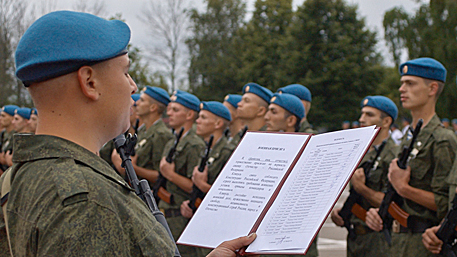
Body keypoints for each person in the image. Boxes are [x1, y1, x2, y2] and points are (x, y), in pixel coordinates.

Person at [0, 10, 257, 256]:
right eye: (125, 71)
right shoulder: (85, 202)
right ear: (89, 82)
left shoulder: (20, 177)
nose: (132, 85)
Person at [365, 57, 457, 257]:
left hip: (422, 245)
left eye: (410, 83)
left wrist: (404, 188)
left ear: (432, 89)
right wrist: (380, 213)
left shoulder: (442, 139)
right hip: (395, 243)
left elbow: (447, 204)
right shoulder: (409, 139)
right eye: (401, 83)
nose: (401, 89)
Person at [331, 95, 398, 257]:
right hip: (355, 237)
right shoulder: (361, 153)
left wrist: (361, 188)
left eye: (369, 115)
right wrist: (342, 213)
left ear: (386, 121)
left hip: (379, 240)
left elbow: (393, 205)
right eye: (362, 114)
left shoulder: (393, 156)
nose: (362, 119)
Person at [180, 101, 235, 256]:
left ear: (218, 123)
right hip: (203, 222)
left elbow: (232, 198)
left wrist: (202, 185)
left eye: (203, 118)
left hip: (219, 228)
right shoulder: (207, 149)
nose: (197, 121)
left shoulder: (227, 152)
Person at [158, 90, 206, 256]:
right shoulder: (173, 140)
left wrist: (170, 175)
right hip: (167, 214)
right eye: (169, 109)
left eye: (175, 110)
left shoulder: (194, 144)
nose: (169, 113)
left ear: (189, 115)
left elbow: (196, 187)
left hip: (181, 217)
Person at [113, 86, 173, 186]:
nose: (137, 103)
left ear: (153, 107)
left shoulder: (161, 134)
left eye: (142, 100)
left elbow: (160, 175)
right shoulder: (144, 131)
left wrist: (133, 168)